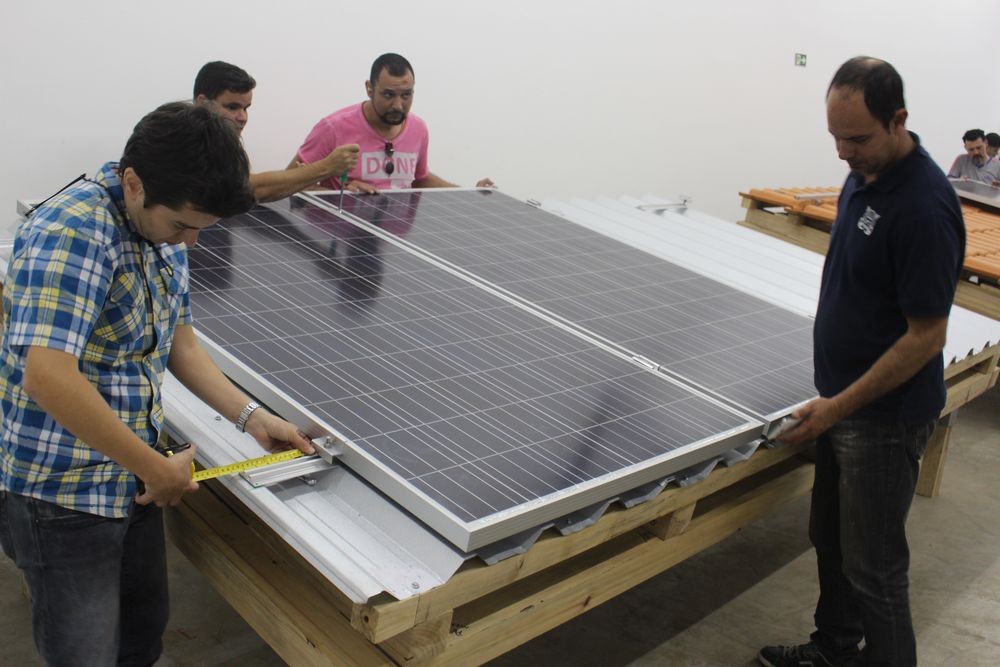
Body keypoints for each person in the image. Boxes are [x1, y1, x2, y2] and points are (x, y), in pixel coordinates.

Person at [0, 102, 317, 666]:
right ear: (133, 183)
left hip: (134, 474)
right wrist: (153, 466)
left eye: (199, 229)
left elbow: (181, 345)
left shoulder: (166, 233)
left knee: (142, 636)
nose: (189, 242)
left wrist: (253, 417)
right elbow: (47, 376)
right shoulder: (72, 232)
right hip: (62, 495)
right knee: (84, 654)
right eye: (182, 225)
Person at [758, 57, 965, 667]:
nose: (844, 153)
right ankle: (835, 649)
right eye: (836, 138)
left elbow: (926, 337)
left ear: (898, 120)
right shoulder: (863, 175)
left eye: (857, 138)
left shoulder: (924, 208)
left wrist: (838, 408)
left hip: (884, 418)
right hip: (842, 403)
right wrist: (833, 401)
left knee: (876, 570)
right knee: (832, 540)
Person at [291, 53, 494, 193]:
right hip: (343, 235)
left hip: (396, 237)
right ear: (369, 88)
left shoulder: (419, 129)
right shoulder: (333, 128)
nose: (398, 105)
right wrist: (342, 194)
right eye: (388, 95)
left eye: (406, 95)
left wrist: (469, 193)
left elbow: (420, 178)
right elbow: (289, 182)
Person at [193, 61, 359, 202]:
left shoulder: (226, 144)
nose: (242, 117)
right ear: (202, 103)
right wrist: (326, 167)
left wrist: (305, 179)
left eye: (246, 108)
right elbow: (248, 189)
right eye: (232, 107)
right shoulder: (187, 142)